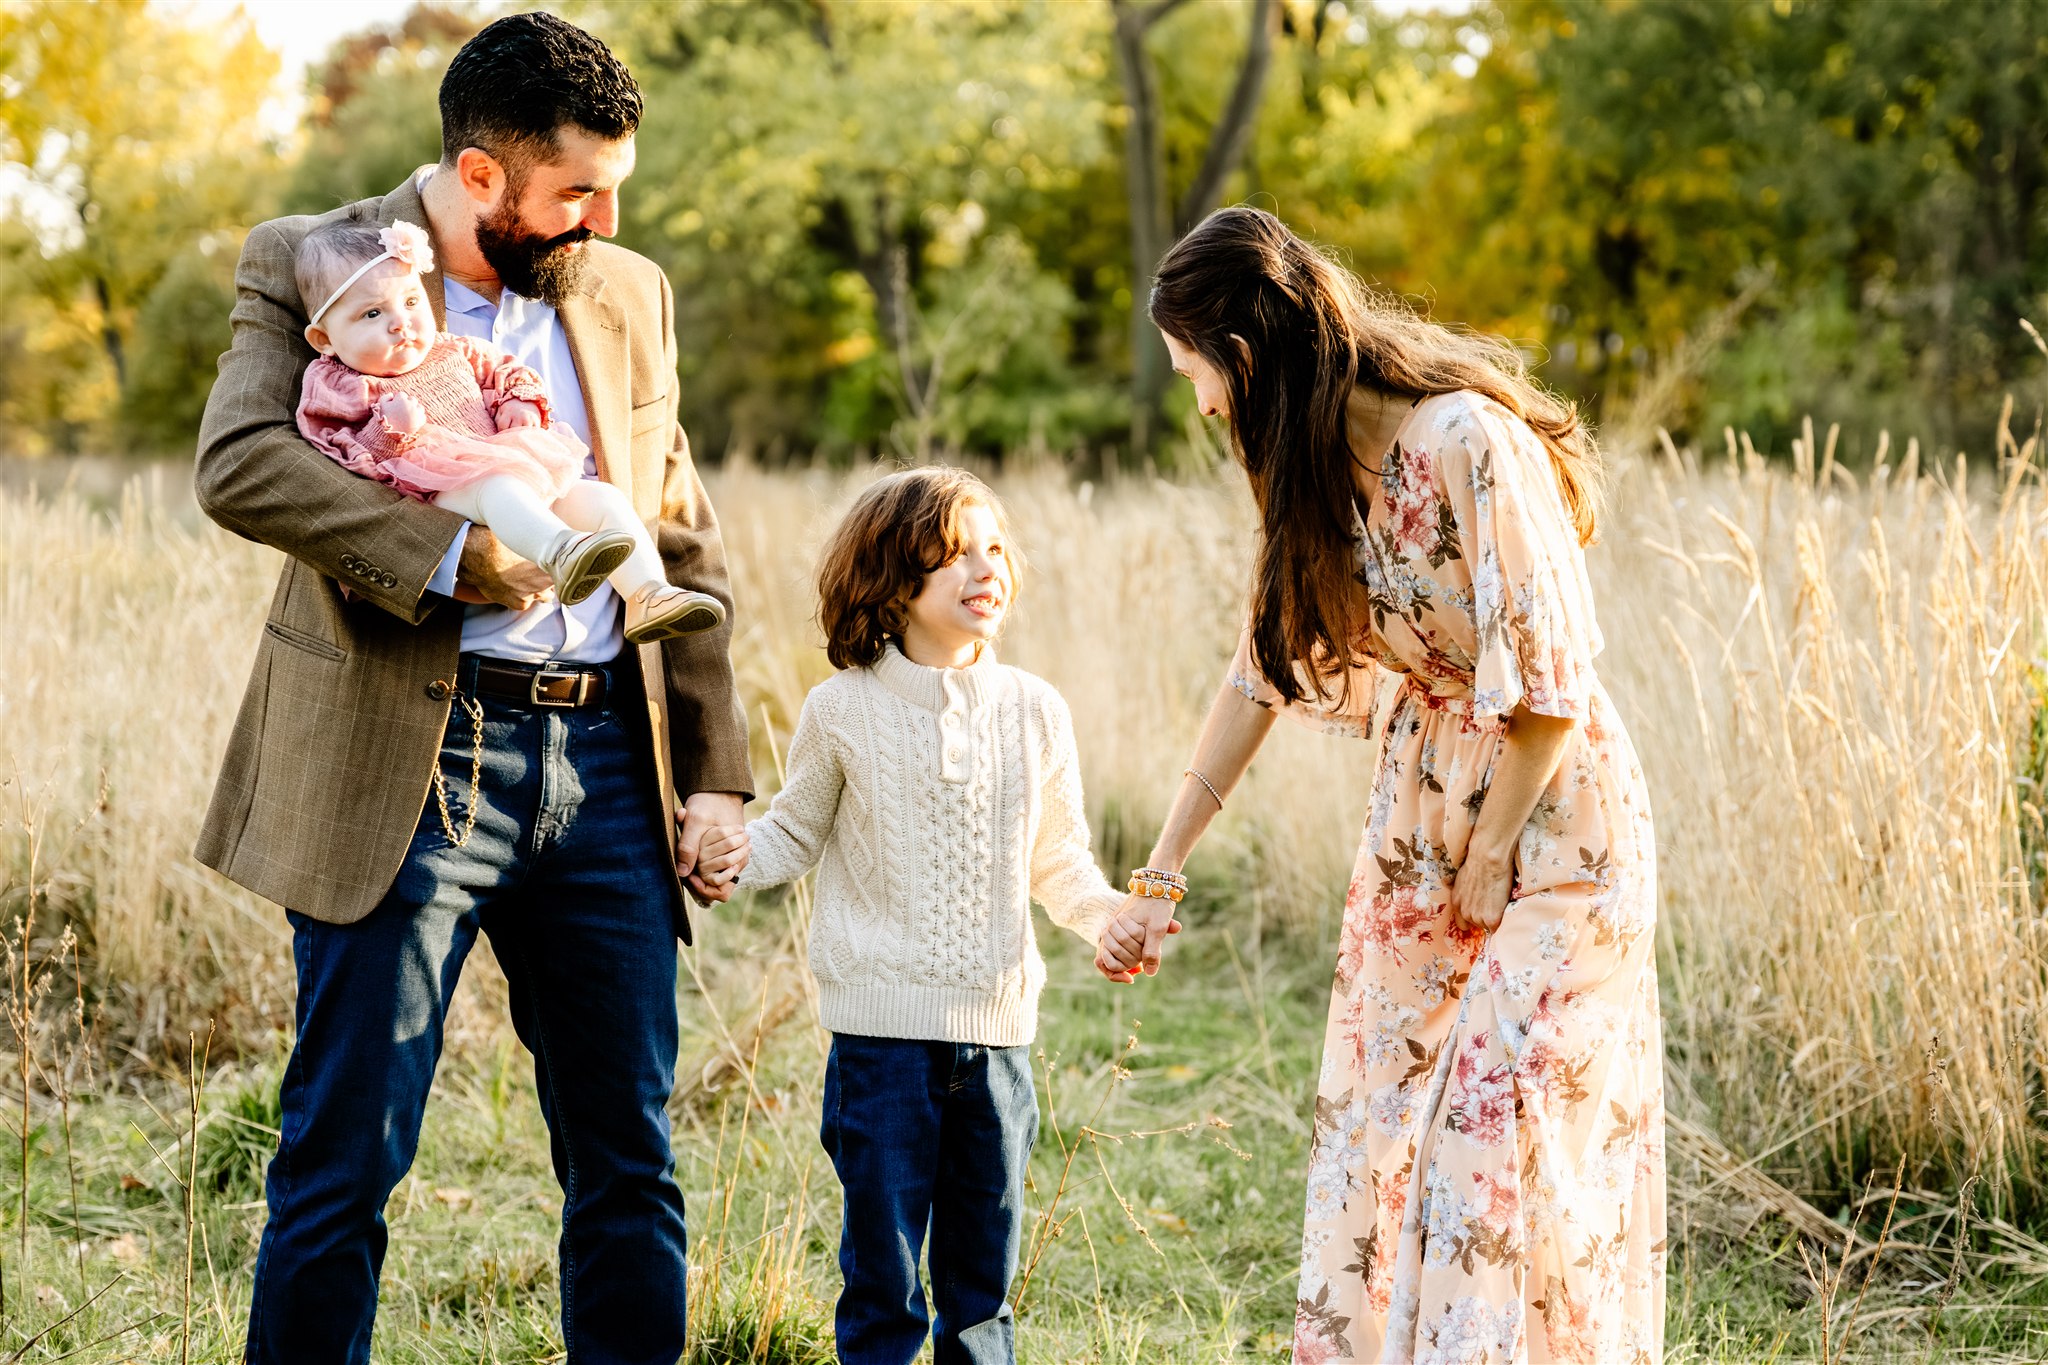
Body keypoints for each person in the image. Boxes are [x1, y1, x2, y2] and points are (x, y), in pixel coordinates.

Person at [192, 14, 752, 1364]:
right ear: (482, 175)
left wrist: (718, 766)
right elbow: (241, 462)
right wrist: (453, 556)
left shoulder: (628, 290)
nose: (604, 214)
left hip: (609, 768)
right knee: (347, 1154)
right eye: (578, 189)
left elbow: (677, 530)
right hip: (411, 765)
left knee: (630, 1155)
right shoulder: (312, 260)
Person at [1099, 206, 1664, 1363]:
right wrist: (1162, 864)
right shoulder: (1310, 478)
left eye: (1193, 371)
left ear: (1243, 354)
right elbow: (1259, 672)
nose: (1198, 403)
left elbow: (1549, 676)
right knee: (1377, 1121)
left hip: (1550, 820)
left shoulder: (1465, 440)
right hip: (1420, 815)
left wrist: (1492, 848)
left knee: (1488, 1123)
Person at [693, 468, 1131, 1365]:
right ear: (894, 581)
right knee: (883, 1285)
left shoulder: (1037, 711)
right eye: (955, 551)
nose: (986, 567)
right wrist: (730, 854)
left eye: (996, 547)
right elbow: (791, 832)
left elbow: (1060, 861)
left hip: (998, 1046)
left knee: (980, 1293)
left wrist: (1109, 916)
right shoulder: (842, 709)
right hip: (881, 1047)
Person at [292, 217, 724, 642]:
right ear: (324, 340)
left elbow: (505, 371)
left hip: (504, 462)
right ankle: (561, 551)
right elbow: (336, 450)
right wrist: (390, 431)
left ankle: (648, 594)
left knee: (600, 497)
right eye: (372, 313)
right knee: (496, 488)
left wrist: (517, 400)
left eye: (409, 302)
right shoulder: (340, 386)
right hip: (438, 488)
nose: (400, 323)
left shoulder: (451, 349)